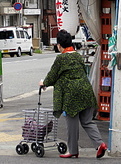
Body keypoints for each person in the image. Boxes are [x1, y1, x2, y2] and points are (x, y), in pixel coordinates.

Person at [39, 29, 107, 159]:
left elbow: (52, 76)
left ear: (59, 45)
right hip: (86, 91)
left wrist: (44, 83)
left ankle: (73, 150)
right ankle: (100, 144)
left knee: (72, 125)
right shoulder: (77, 56)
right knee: (87, 122)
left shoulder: (61, 58)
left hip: (72, 96)